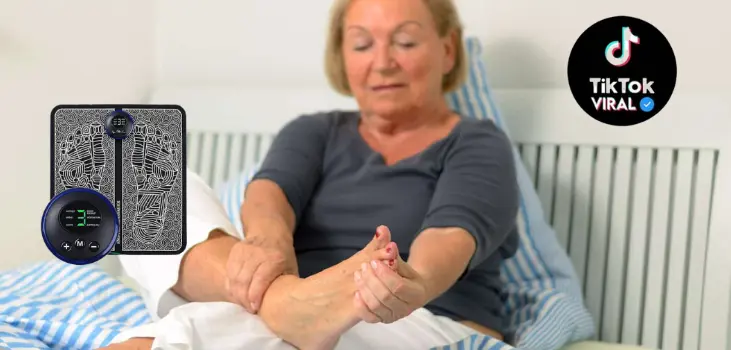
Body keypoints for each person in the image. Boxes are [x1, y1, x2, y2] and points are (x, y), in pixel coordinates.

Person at [104, 0, 519, 348]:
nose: (383, 62)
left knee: (170, 338)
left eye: (405, 41)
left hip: (410, 318)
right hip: (296, 308)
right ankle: (292, 303)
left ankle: (293, 305)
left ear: (448, 50)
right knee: (129, 174)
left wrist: (413, 282)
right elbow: (269, 197)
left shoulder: (477, 142)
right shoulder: (315, 131)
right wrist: (267, 249)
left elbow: (447, 239)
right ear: (341, 56)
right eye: (361, 45)